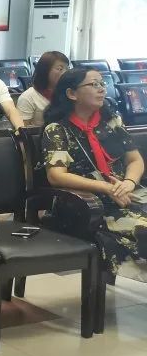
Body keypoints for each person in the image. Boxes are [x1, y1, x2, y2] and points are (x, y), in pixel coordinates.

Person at [43, 67, 147, 279]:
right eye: (93, 84)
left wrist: (128, 182)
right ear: (72, 93)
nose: (101, 89)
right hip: (87, 204)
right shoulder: (57, 129)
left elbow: (135, 160)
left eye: (102, 83)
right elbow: (57, 175)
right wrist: (107, 188)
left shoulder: (112, 122)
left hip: (126, 194)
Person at [18, 51, 70, 126]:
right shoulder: (28, 97)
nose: (65, 73)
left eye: (67, 69)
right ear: (45, 71)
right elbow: (23, 129)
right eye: (60, 69)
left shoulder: (69, 94)